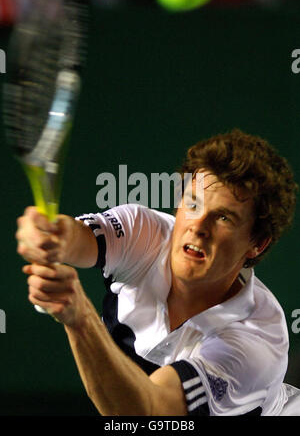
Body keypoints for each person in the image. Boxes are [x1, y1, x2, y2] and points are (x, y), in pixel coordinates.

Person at [16, 129, 300, 416]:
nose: (198, 226)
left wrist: (80, 318)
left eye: (224, 217)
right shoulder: (144, 233)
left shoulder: (254, 346)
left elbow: (147, 414)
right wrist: (49, 239)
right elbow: (75, 239)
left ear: (256, 244)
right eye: (192, 204)